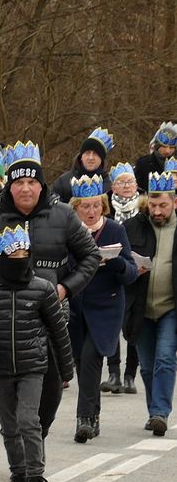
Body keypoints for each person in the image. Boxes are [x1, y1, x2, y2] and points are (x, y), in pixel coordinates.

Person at [0, 141, 99, 439]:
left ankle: (37, 434)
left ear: (41, 185)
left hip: (51, 312)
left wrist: (65, 288)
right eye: (18, 182)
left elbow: (90, 256)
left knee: (51, 386)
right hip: (7, 318)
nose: (25, 189)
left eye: (31, 182)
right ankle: (19, 442)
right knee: (11, 391)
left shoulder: (63, 215)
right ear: (9, 186)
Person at [0, 224, 74, 482]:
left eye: (24, 255)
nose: (19, 261)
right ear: (1, 259)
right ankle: (19, 478)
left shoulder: (42, 288)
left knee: (28, 421)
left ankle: (36, 479)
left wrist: (65, 369)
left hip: (32, 365)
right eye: (13, 257)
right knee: (9, 426)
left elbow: (58, 331)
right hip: (0, 367)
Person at [65, 174, 135, 443]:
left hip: (106, 308)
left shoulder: (115, 230)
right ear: (76, 208)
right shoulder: (69, 231)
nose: (91, 211)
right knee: (82, 363)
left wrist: (117, 263)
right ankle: (93, 416)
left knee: (91, 358)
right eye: (85, 206)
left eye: (96, 205)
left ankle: (83, 418)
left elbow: (131, 273)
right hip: (75, 308)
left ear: (103, 206)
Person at [123, 171, 177, 437]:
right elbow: (120, 263)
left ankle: (159, 413)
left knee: (165, 358)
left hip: (171, 307)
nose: (157, 211)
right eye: (153, 205)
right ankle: (154, 411)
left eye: (163, 205)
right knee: (146, 365)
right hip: (140, 306)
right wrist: (131, 269)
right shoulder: (133, 227)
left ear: (174, 202)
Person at [106, 162, 142, 393]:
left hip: (138, 274)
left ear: (137, 185)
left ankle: (130, 375)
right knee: (113, 324)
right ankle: (113, 373)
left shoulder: (145, 211)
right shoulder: (105, 210)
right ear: (113, 187)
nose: (127, 186)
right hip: (112, 273)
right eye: (121, 182)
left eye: (130, 181)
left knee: (134, 325)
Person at [50, 128, 113, 203]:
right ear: (81, 156)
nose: (90, 158)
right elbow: (51, 206)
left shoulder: (110, 186)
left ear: (101, 159)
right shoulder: (63, 182)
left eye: (96, 154)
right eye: (87, 153)